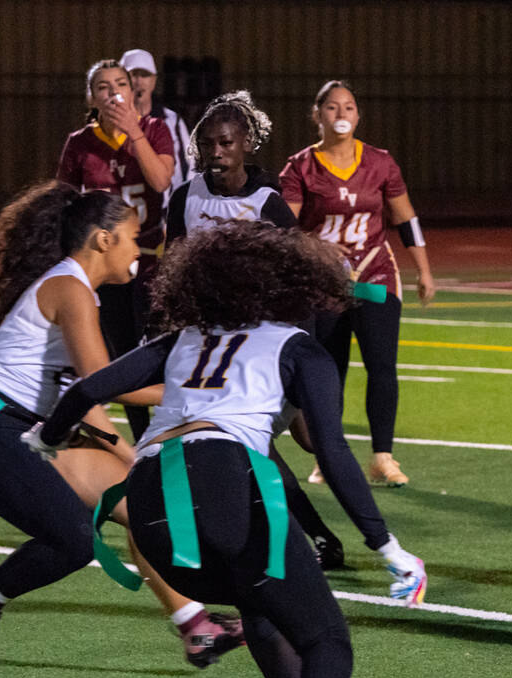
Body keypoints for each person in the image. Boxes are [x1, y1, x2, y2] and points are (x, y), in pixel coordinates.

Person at [23, 220, 425, 678]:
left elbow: (89, 389)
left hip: (151, 502)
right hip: (222, 478)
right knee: (325, 635)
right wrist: (387, 547)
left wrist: (45, 438)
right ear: (293, 286)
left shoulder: (184, 337)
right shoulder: (299, 348)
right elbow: (332, 454)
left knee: (258, 599)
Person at [0, 182, 242, 675]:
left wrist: (131, 453)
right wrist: (191, 392)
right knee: (73, 542)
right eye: (132, 237)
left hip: (27, 426)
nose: (139, 250)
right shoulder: (72, 290)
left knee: (144, 506)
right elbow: (100, 384)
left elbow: (84, 399)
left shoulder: (77, 290)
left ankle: (196, 627)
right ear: (103, 239)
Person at [165, 89, 346, 570]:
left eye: (226, 142)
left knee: (314, 441)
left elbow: (299, 275)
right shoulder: (186, 197)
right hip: (218, 349)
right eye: (208, 143)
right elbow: (171, 271)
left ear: (247, 143)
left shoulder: (267, 204)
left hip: (267, 340)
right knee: (257, 445)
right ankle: (321, 538)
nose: (216, 152)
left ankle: (364, 529)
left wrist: (298, 350)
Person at [280, 80, 436, 488]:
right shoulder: (300, 167)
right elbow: (284, 227)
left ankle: (383, 456)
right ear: (317, 115)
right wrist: (312, 252)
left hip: (374, 274)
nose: (341, 114)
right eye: (332, 107)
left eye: (348, 106)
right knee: (328, 370)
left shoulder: (379, 162)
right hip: (324, 282)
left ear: (358, 115)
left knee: (382, 366)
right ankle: (327, 455)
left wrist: (424, 269)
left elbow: (406, 218)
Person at [56, 58, 175, 441]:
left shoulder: (154, 130)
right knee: (122, 355)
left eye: (120, 83)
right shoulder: (79, 143)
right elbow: (64, 203)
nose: (113, 92)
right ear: (91, 97)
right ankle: (144, 441)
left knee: (157, 349)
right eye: (103, 86)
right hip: (105, 267)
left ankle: (174, 430)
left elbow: (160, 181)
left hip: (149, 259)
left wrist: (134, 133)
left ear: (131, 90)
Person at [120, 48, 195, 202]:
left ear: (154, 81)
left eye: (145, 75)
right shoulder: (112, 121)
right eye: (133, 74)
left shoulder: (172, 121)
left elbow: (189, 167)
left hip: (165, 210)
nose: (139, 81)